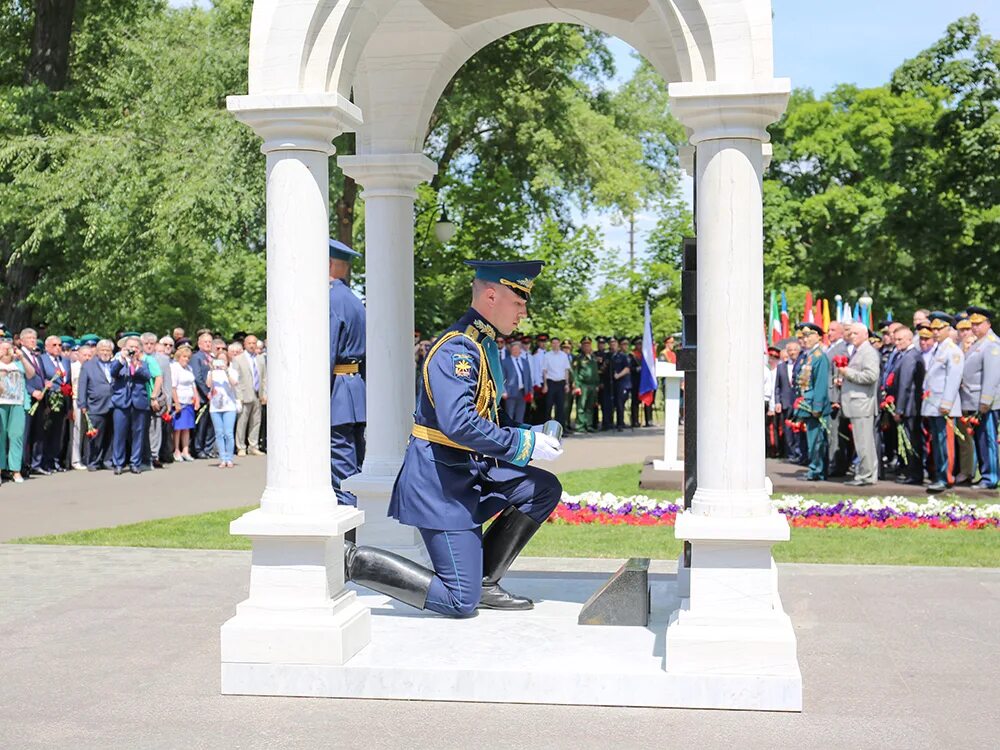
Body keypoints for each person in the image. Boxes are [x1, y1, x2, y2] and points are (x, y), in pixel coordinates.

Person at [351, 259, 561, 617]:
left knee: (542, 488)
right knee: (459, 602)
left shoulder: (482, 345)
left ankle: (485, 582)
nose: (524, 312)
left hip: (471, 472)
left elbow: (491, 416)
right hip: (441, 483)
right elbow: (459, 424)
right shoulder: (457, 350)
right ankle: (354, 560)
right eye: (519, 301)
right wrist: (524, 446)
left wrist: (531, 433)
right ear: (492, 296)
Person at [328, 238, 367, 507]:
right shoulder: (353, 300)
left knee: (342, 475)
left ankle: (348, 544)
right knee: (354, 464)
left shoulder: (330, 299)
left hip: (337, 393)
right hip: (354, 389)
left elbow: (326, 353)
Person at [921, 312, 964, 493]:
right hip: (934, 404)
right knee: (938, 443)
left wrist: (947, 403)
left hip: (944, 406)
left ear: (948, 329)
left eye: (939, 328)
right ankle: (939, 474)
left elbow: (953, 379)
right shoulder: (939, 349)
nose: (936, 332)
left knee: (945, 443)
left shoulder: (952, 350)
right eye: (934, 328)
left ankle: (946, 477)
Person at [835, 323, 880, 486]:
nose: (851, 336)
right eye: (850, 333)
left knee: (864, 442)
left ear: (865, 335)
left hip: (862, 403)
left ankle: (866, 475)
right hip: (857, 402)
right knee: (862, 441)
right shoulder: (859, 351)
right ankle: (867, 473)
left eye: (855, 333)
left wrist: (848, 373)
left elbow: (871, 376)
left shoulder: (868, 352)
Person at [964, 306, 999, 489]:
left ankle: (991, 477)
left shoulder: (991, 344)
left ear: (988, 324)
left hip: (987, 402)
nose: (975, 328)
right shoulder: (978, 343)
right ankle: (985, 473)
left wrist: (985, 400)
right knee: (980, 439)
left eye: (979, 324)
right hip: (974, 400)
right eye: (973, 324)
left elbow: (992, 375)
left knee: (988, 439)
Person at [109, 335, 152, 475]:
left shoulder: (142, 363)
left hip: (138, 402)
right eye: (130, 347)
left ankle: (135, 463)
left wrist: (136, 365)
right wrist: (123, 359)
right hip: (122, 402)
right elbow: (113, 372)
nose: (133, 350)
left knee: (138, 434)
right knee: (119, 434)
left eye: (136, 347)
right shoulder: (118, 361)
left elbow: (147, 376)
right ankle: (118, 463)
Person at [795, 323, 831, 481]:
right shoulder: (809, 356)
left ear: (818, 336)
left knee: (816, 440)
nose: (805, 339)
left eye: (809, 335)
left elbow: (821, 384)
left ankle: (816, 470)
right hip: (807, 403)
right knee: (812, 439)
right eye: (804, 336)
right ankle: (814, 468)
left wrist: (817, 406)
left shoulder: (819, 357)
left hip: (815, 405)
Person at [32, 335, 72, 474]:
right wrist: (45, 386)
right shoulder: (41, 359)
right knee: (45, 432)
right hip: (48, 400)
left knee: (57, 432)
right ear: (47, 347)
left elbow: (68, 382)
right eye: (54, 345)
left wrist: (69, 405)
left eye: (60, 345)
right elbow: (41, 377)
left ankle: (54, 461)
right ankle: (42, 462)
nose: (58, 348)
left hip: (62, 400)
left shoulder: (65, 361)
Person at [0, 339, 36, 484]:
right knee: (0, 437)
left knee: (16, 436)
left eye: (9, 348)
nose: (7, 351)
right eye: (3, 348)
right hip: (1, 403)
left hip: (17, 402)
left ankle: (15, 470)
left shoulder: (18, 363)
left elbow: (31, 374)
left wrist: (22, 357)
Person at [77, 339, 115, 472]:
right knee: (95, 436)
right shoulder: (88, 365)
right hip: (95, 405)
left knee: (111, 434)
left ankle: (107, 460)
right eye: (102, 350)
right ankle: (93, 461)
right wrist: (82, 404)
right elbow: (82, 385)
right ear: (97, 352)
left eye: (108, 350)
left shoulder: (114, 364)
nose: (105, 353)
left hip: (113, 405)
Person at [233, 334, 266, 456]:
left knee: (256, 421)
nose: (252, 345)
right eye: (249, 343)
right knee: (242, 422)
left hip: (258, 394)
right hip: (244, 394)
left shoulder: (260, 359)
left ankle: (253, 445)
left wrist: (264, 394)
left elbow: (264, 378)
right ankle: (240, 446)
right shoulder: (238, 359)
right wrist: (239, 397)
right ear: (245, 345)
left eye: (254, 343)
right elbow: (236, 380)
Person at [140, 332, 170, 469]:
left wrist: (167, 402)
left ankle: (154, 455)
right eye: (146, 344)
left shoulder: (162, 359)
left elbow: (167, 380)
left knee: (156, 427)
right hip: (141, 398)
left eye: (152, 343)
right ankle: (142, 455)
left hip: (157, 398)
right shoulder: (138, 358)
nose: (149, 346)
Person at [206, 349, 239, 468]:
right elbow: (208, 384)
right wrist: (211, 370)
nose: (221, 362)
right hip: (215, 406)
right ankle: (222, 458)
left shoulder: (232, 371)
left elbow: (234, 383)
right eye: (219, 360)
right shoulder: (212, 373)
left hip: (229, 405)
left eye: (223, 360)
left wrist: (226, 371)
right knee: (219, 433)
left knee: (228, 433)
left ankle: (229, 457)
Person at [190, 331, 216, 459]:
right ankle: (198, 448)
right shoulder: (197, 357)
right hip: (203, 397)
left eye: (210, 342)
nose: (208, 344)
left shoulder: (213, 358)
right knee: (201, 424)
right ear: (199, 344)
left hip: (214, 397)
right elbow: (198, 377)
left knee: (211, 424)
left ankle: (208, 448)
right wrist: (207, 393)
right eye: (205, 342)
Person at [170, 344, 199, 461]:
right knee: (178, 428)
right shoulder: (175, 367)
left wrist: (196, 399)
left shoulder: (189, 368)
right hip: (180, 400)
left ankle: (185, 450)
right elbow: (173, 387)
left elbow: (193, 384)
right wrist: (176, 403)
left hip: (189, 401)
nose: (186, 359)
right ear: (179, 357)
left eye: (188, 357)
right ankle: (176, 450)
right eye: (184, 357)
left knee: (187, 427)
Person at [773, 341, 801, 462]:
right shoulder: (781, 366)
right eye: (790, 350)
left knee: (799, 428)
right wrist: (777, 402)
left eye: (795, 350)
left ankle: (800, 453)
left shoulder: (802, 364)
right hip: (785, 402)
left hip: (799, 402)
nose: (792, 352)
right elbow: (777, 386)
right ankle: (791, 454)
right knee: (787, 430)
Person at [572, 337, 599, 433]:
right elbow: (575, 373)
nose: (587, 347)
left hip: (592, 385)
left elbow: (595, 372)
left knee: (590, 406)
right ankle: (580, 426)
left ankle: (589, 425)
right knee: (581, 406)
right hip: (582, 385)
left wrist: (597, 385)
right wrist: (577, 386)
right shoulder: (578, 358)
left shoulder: (594, 357)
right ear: (582, 346)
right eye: (585, 345)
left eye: (588, 345)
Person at [541, 336, 570, 428]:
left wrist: (567, 384)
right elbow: (544, 371)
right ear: (551, 344)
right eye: (553, 343)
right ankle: (547, 429)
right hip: (551, 383)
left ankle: (561, 429)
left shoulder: (563, 355)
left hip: (561, 383)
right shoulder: (547, 355)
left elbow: (566, 370)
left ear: (559, 344)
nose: (555, 345)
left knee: (560, 407)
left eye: (557, 343)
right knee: (548, 406)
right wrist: (545, 385)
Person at [501, 339, 531, 423]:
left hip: (522, 392)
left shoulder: (525, 362)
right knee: (509, 415)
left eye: (518, 349)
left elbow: (528, 377)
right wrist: (503, 391)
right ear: (511, 350)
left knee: (520, 415)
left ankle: (519, 433)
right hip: (510, 392)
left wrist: (530, 391)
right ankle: (509, 433)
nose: (516, 351)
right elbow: (502, 378)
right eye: (514, 349)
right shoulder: (505, 362)